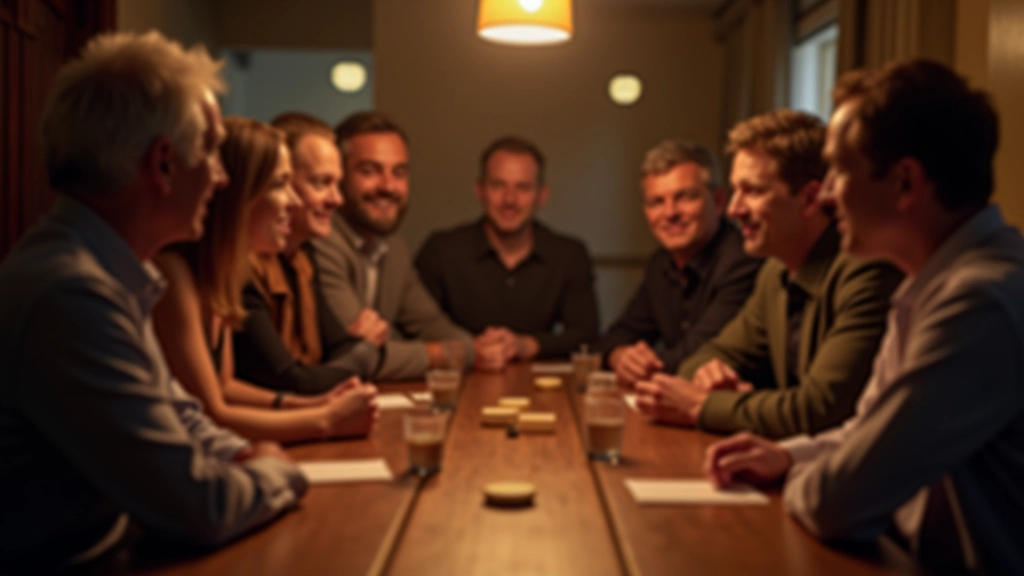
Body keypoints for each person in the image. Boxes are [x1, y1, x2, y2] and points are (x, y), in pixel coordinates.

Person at [0, 31, 306, 571]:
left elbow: (181, 419)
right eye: (211, 150)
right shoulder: (71, 293)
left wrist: (237, 455)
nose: (222, 176)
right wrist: (276, 469)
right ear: (163, 163)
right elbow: (198, 506)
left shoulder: (107, 268)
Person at [704, 60, 1024, 574]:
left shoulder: (980, 300)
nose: (825, 195)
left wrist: (807, 478)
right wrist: (787, 458)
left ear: (905, 182)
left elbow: (838, 502)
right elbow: (864, 432)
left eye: (839, 170)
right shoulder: (931, 284)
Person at [637, 109, 903, 439]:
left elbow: (819, 409)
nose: (734, 209)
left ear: (810, 198)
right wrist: (710, 378)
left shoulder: (867, 270)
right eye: (735, 190)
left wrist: (703, 406)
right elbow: (702, 359)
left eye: (753, 191)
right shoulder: (776, 270)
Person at [153, 116, 378, 444]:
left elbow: (226, 386)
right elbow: (211, 413)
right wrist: (325, 420)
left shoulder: (222, 273)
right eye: (279, 184)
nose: (294, 200)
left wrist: (310, 403)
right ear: (236, 194)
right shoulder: (174, 273)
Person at [313, 111, 473, 380]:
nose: (388, 186)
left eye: (399, 172)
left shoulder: (393, 247)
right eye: (369, 171)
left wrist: (461, 350)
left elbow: (439, 329)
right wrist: (446, 354)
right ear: (339, 176)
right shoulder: (321, 242)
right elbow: (356, 355)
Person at [415, 136, 600, 367]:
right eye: (498, 185)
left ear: (542, 195)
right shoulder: (440, 250)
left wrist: (525, 345)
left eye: (523, 187)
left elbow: (587, 337)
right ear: (479, 190)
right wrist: (472, 350)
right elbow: (415, 332)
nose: (510, 199)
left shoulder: (569, 254)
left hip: (540, 391)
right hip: (459, 383)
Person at [232, 112, 382, 394]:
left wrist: (352, 356)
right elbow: (292, 381)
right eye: (320, 183)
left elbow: (339, 349)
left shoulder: (303, 257)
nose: (337, 199)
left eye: (337, 183)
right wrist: (360, 354)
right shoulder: (240, 267)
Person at [595, 139, 762, 385]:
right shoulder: (660, 263)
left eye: (684, 197)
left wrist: (644, 366)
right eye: (657, 202)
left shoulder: (742, 260)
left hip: (732, 412)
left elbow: (697, 357)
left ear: (718, 202)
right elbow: (616, 336)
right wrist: (621, 356)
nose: (670, 213)